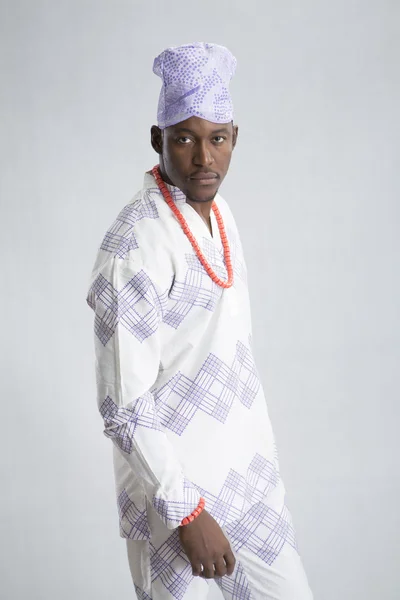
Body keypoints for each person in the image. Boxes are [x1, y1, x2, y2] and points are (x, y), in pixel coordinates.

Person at [86, 42, 313, 600]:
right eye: (184, 139)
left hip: (253, 487)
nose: (204, 159)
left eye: (217, 139)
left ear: (235, 137)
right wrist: (188, 513)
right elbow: (124, 407)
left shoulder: (220, 213)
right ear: (157, 140)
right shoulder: (133, 247)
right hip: (178, 507)